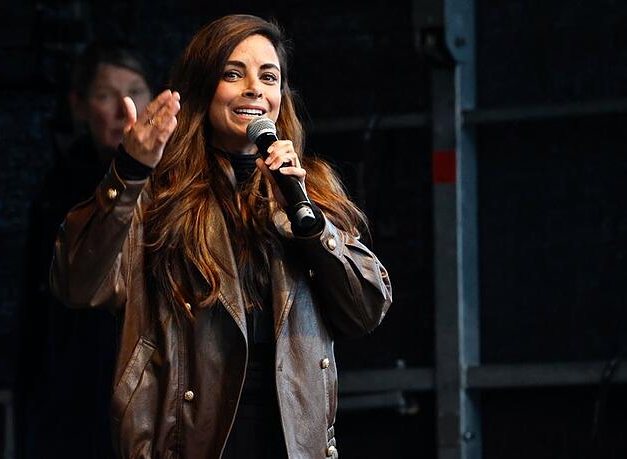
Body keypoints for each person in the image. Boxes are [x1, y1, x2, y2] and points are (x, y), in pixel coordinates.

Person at [50, 15, 392, 459]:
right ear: (202, 89)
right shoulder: (159, 196)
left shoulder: (309, 190)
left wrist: (310, 225)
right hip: (188, 443)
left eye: (268, 77)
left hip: (291, 443)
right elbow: (77, 282)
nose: (254, 89)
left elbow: (366, 309)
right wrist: (130, 171)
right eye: (233, 74)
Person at [15, 41, 152, 458]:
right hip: (80, 380)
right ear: (79, 106)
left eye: (135, 91)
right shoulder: (61, 191)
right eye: (107, 95)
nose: (124, 108)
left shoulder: (175, 184)